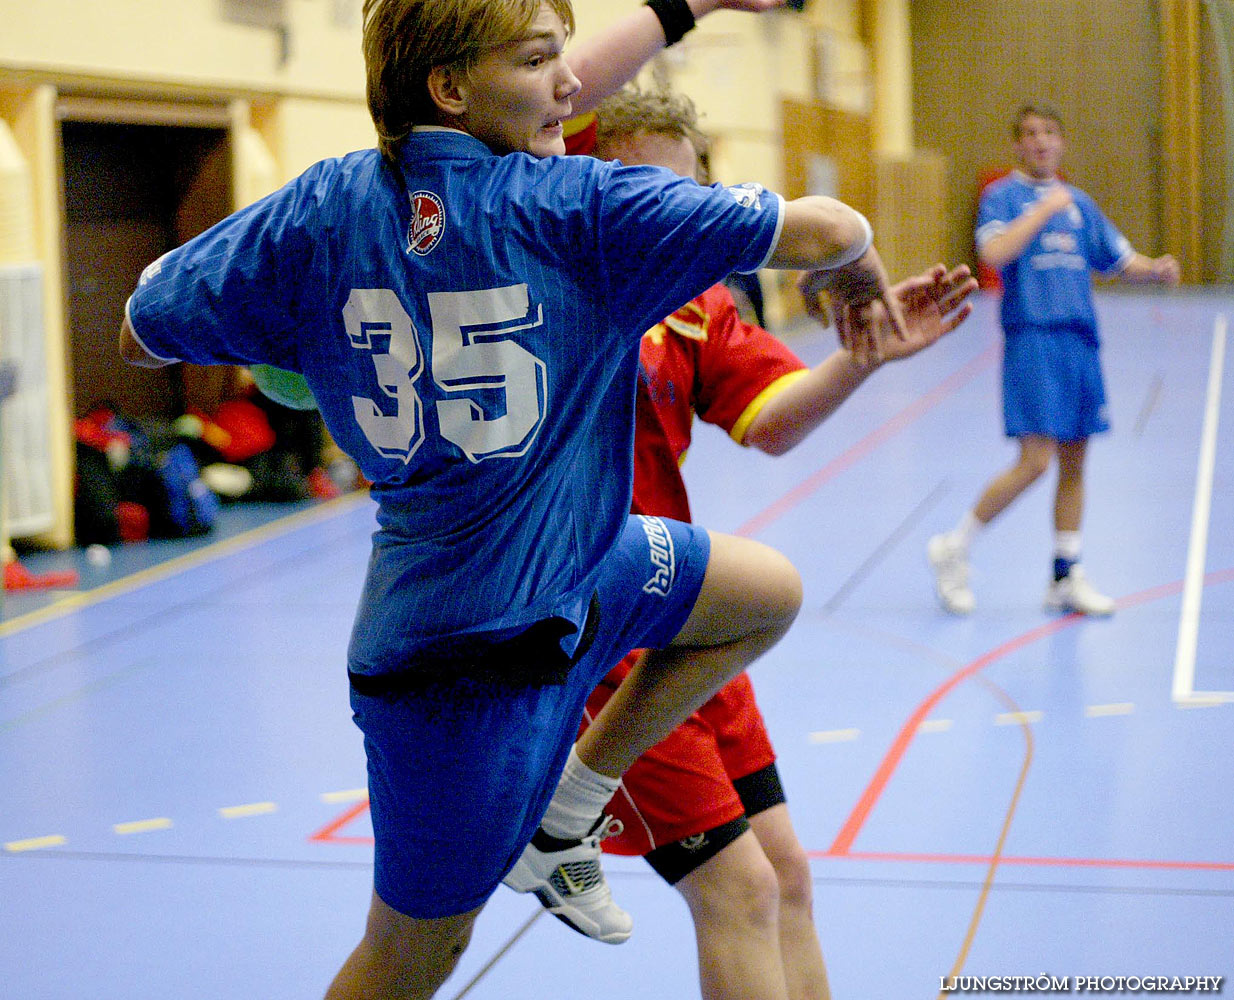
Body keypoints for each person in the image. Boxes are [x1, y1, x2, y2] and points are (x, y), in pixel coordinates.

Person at [119, 2, 915, 997]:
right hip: (466, 669)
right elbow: (833, 228)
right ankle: (548, 808)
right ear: (452, 88)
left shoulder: (317, 209)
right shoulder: (577, 209)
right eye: (540, 61)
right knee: (411, 959)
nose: (570, 83)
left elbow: (145, 325)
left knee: (765, 592)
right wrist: (860, 276)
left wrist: (306, 338)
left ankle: (571, 800)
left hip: (578, 570)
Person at [550, 85, 974, 1000]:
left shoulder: (697, 301)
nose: (677, 218)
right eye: (647, 190)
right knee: (735, 890)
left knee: (785, 872)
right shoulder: (556, 285)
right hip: (601, 637)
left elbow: (769, 420)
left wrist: (859, 357)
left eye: (693, 195)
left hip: (692, 618)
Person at [927, 103, 1181, 617]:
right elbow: (994, 254)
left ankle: (1066, 574)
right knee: (1034, 462)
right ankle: (954, 546)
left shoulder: (1080, 204)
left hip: (1079, 341)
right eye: (1029, 134)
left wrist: (1153, 269)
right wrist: (1041, 210)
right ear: (1017, 146)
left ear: (1062, 143)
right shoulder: (1003, 198)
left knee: (1074, 461)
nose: (1040, 141)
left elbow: (1116, 258)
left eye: (1048, 133)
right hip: (1033, 340)